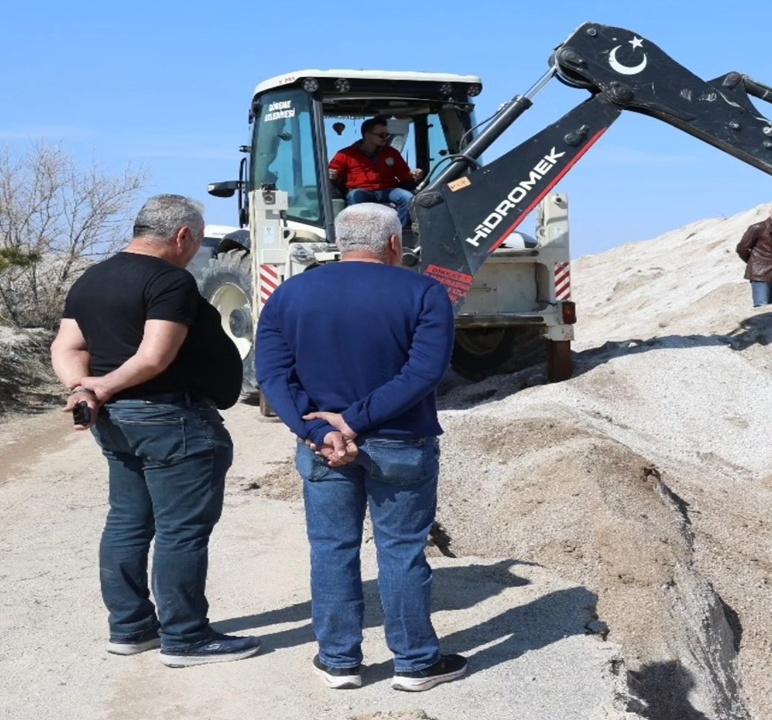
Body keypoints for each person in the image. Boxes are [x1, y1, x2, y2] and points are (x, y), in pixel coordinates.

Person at [254, 203, 466, 692]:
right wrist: (355, 420)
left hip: (322, 447)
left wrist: (322, 432)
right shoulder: (424, 291)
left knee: (331, 549)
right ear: (395, 243)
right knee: (402, 551)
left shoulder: (289, 293)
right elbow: (424, 372)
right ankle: (414, 664)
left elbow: (273, 374)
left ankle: (339, 661)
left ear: (339, 243)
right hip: (401, 443)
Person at [49, 194, 260, 667]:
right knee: (181, 533)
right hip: (169, 419)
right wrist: (98, 388)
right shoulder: (171, 281)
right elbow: (154, 356)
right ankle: (185, 638)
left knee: (127, 523)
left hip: (118, 421)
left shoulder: (92, 277)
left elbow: (67, 344)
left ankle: (131, 629)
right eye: (197, 240)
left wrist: (83, 390)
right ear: (182, 236)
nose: (195, 248)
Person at [328, 115, 425, 234]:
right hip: (361, 190)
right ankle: (360, 233)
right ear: (367, 134)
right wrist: (332, 175)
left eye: (387, 135)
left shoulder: (391, 153)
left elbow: (403, 174)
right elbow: (333, 173)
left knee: (408, 198)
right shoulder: (346, 154)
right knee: (355, 196)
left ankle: (400, 233)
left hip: (387, 190)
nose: (386, 138)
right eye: (382, 135)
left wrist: (414, 175)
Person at [736, 202, 772, 307]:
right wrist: (755, 262)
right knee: (761, 307)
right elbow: (742, 248)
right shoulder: (757, 228)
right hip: (761, 274)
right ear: (770, 213)